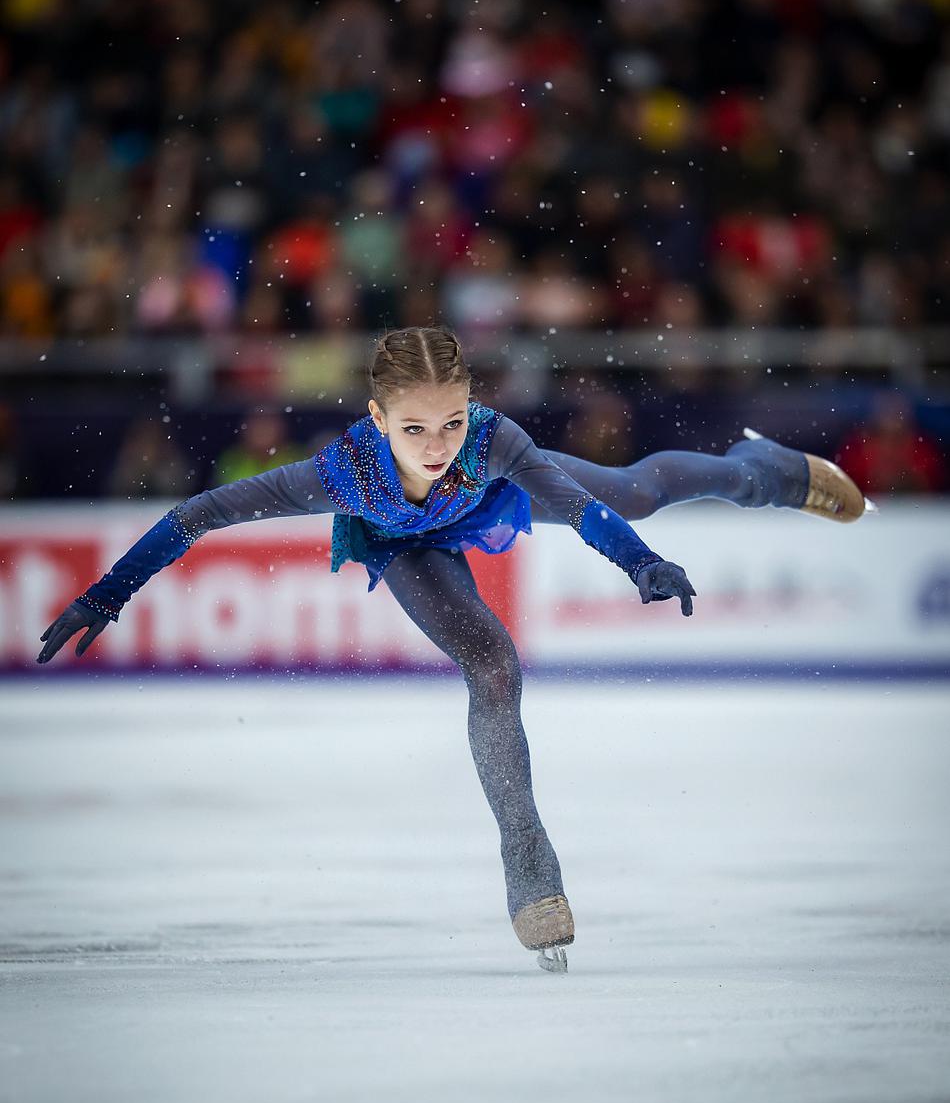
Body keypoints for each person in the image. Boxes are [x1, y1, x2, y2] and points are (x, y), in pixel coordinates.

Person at [36, 326, 868, 971]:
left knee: (639, 496)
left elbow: (579, 509)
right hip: (402, 542)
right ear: (376, 419)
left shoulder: (493, 442)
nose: (437, 445)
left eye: (452, 421)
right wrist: (111, 588)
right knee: (494, 665)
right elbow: (199, 513)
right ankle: (528, 862)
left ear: (473, 405)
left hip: (491, 501)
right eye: (413, 428)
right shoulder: (338, 475)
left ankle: (761, 469)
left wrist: (639, 561)